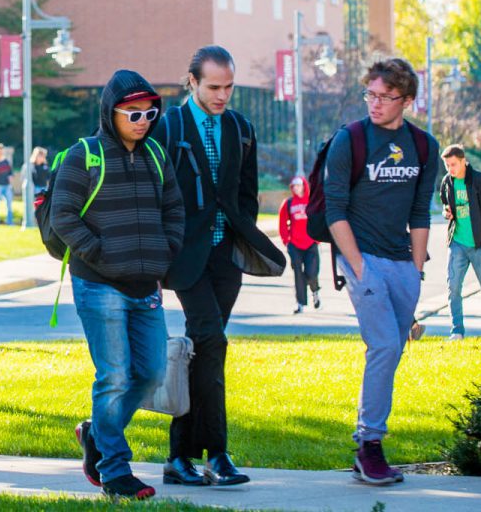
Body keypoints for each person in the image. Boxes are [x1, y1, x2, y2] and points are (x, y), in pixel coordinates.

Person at [53, 70, 185, 501]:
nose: (143, 120)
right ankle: (113, 469)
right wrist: (103, 256)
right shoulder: (83, 156)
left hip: (146, 285)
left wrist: (166, 251)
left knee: (150, 373)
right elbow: (63, 217)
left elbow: (174, 209)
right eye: (133, 113)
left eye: (150, 112)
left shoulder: (156, 156)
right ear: (111, 112)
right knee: (114, 376)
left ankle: (96, 433)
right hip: (98, 285)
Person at [154, 45, 281, 487]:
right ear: (192, 81)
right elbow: (156, 197)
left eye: (228, 86)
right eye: (213, 87)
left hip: (224, 257)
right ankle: (218, 454)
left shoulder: (241, 128)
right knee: (211, 341)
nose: (222, 95)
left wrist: (239, 237)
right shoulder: (168, 127)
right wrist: (153, 265)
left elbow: (247, 195)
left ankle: (182, 458)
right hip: (184, 258)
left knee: (204, 350)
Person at [323, 58, 441, 485]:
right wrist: (358, 268)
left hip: (403, 261)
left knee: (393, 350)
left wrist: (416, 268)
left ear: (406, 100)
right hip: (362, 258)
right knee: (385, 346)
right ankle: (368, 444)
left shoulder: (424, 146)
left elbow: (420, 209)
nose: (375, 104)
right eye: (369, 95)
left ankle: (368, 442)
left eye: (385, 97)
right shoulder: (350, 140)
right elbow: (335, 210)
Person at [422, 145, 481, 341]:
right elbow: (446, 203)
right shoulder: (447, 182)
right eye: (446, 165)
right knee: (453, 288)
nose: (450, 169)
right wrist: (447, 212)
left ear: (463, 161)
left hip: (480, 245)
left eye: (453, 164)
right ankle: (457, 331)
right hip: (457, 243)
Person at [279, 177, 321, 315]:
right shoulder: (289, 203)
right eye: (293, 186)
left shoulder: (311, 201)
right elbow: (283, 223)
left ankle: (315, 292)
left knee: (311, 273)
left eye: (298, 185)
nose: (296, 188)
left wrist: (318, 237)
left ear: (304, 186)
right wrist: (287, 241)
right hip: (295, 245)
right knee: (298, 273)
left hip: (310, 243)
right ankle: (300, 303)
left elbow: (318, 218)